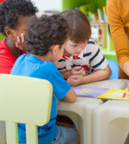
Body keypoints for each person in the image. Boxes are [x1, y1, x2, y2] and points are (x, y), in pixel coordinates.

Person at [11, 14, 79, 144]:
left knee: (63, 125)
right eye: (63, 47)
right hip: (41, 137)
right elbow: (72, 97)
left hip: (16, 135)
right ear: (55, 49)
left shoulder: (21, 60)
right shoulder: (48, 69)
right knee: (76, 134)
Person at [55, 9, 111, 86]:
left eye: (84, 42)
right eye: (74, 45)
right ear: (61, 39)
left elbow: (106, 71)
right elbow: (46, 76)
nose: (80, 49)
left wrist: (84, 80)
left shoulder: (90, 46)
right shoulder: (54, 51)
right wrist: (69, 74)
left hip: (87, 89)